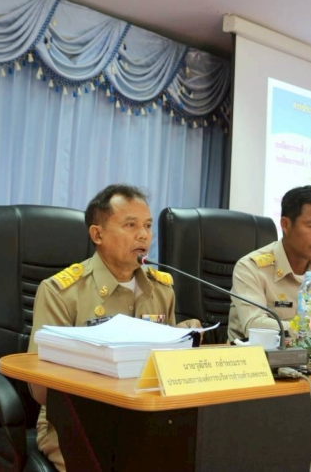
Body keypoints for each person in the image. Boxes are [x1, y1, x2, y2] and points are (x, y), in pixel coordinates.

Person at [27, 184, 199, 471]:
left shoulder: (162, 289)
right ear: (98, 235)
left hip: (146, 417)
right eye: (130, 225)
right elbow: (41, 389)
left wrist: (183, 340)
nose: (143, 235)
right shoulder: (61, 292)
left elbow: (165, 375)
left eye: (147, 226)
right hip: (77, 421)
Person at [227, 185, 311, 343]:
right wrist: (309, 329)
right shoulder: (251, 268)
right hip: (257, 356)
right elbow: (254, 326)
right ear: (285, 225)